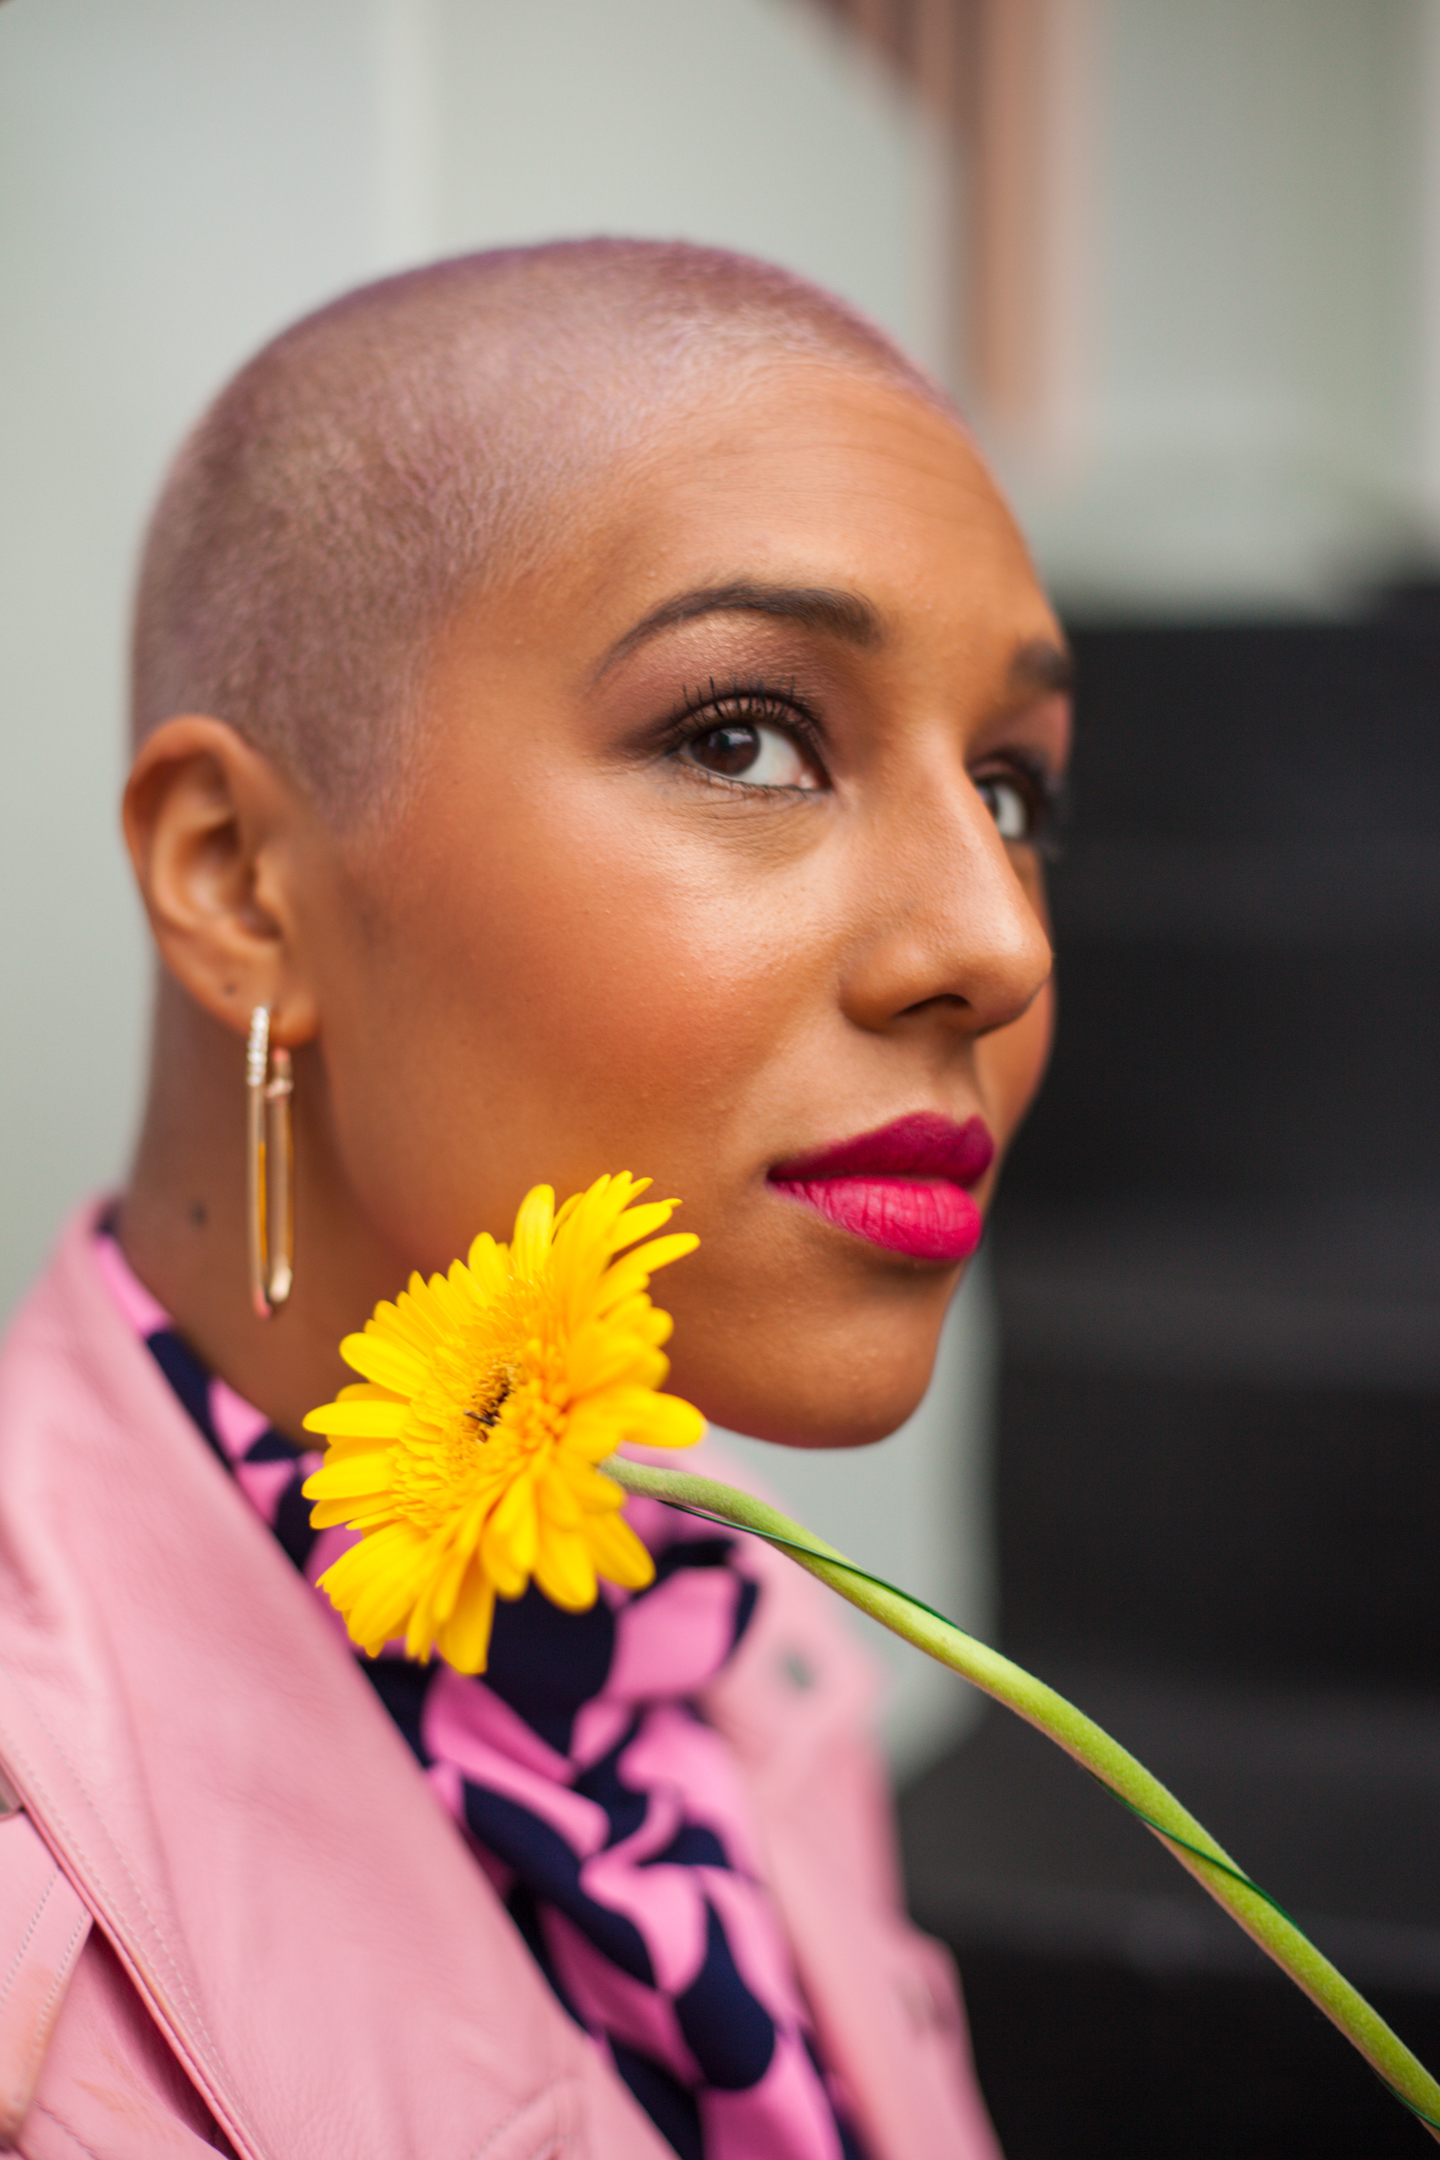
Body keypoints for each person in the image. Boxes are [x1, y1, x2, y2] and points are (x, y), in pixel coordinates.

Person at [0, 241, 1068, 2159]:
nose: (997, 943)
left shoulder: (704, 1628)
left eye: (1010, 791)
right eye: (746, 738)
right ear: (241, 881)